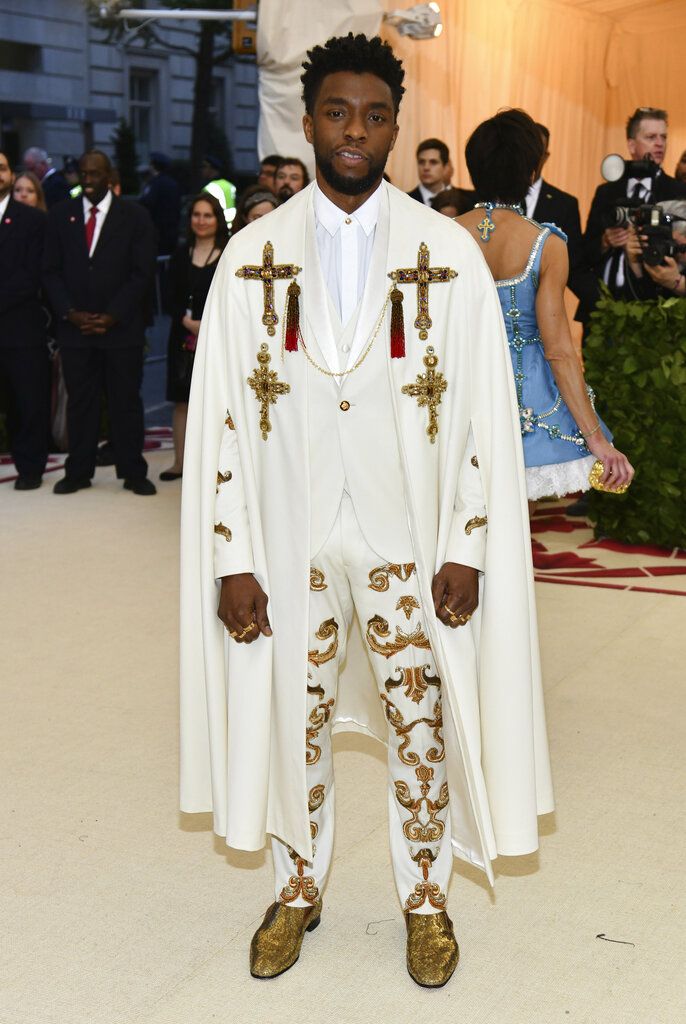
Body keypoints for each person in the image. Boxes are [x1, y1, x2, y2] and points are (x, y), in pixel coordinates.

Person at [181, 33, 554, 989]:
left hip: (406, 538)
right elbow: (220, 420)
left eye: (374, 114)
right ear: (307, 123)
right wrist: (231, 558)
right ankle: (297, 883)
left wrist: (467, 541)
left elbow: (481, 417)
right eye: (336, 114)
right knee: (289, 717)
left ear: (397, 125)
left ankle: (425, 899)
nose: (354, 131)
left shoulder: (448, 253)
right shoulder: (253, 254)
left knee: (419, 719)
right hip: (290, 537)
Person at [458, 109, 633, 501]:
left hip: (456, 395)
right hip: (529, 404)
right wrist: (596, 438)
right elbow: (558, 350)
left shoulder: (443, 235)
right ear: (532, 170)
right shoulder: (546, 243)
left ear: (474, 167)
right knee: (517, 527)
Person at [43, 150, 157, 496]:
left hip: (121, 330)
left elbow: (142, 272)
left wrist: (112, 315)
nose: (88, 181)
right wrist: (70, 313)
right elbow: (49, 271)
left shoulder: (135, 216)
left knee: (125, 401)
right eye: (84, 174)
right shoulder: (61, 215)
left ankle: (132, 471)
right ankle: (78, 470)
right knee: (81, 402)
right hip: (76, 330)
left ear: (110, 176)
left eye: (95, 174)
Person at [582, 107, 686, 317]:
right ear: (631, 144)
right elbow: (584, 252)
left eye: (663, 137)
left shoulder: (678, 191)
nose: (659, 143)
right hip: (603, 311)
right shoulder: (606, 191)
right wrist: (605, 242)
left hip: (656, 312)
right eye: (650, 137)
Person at [160, 193, 229, 481]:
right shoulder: (180, 254)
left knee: (218, 401)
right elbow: (168, 295)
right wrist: (186, 321)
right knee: (182, 401)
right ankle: (180, 463)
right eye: (196, 215)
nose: (201, 221)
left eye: (207, 215)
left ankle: (215, 466)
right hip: (182, 337)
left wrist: (209, 324)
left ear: (218, 219)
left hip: (219, 335)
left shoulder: (228, 252)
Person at [0, 151, 49, 490]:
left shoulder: (31, 220)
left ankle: (30, 467)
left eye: (0, 168)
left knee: (27, 401)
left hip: (21, 328)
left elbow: (31, 275)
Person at [527, 123, 597, 316]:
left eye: (536, 150)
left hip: (542, 314)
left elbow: (574, 266)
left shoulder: (564, 204)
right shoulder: (492, 199)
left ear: (546, 156)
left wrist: (606, 306)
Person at [624, 199, 686, 299]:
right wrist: (635, 264)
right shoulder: (652, 253)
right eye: (663, 240)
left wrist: (679, 284)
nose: (669, 247)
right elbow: (642, 305)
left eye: (674, 242)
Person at [139, 152, 182, 256]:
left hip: (157, 231)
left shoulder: (154, 184)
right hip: (171, 231)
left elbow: (146, 204)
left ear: (153, 166)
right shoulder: (173, 183)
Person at [407, 138, 451, 206]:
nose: (426, 167)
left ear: (445, 167)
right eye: (421, 162)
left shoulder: (463, 200)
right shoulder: (405, 200)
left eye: (433, 162)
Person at [201, 155, 237, 228]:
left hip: (218, 225)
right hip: (232, 224)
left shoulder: (209, 188)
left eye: (204, 166)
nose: (202, 170)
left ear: (211, 169)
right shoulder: (229, 185)